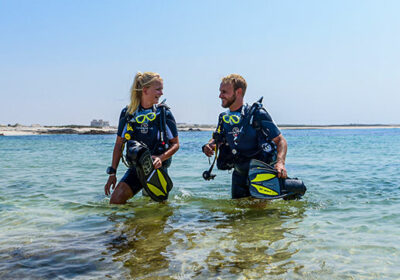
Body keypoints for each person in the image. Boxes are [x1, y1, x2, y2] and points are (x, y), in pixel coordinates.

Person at [202, 74, 288, 199]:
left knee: (259, 213)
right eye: (220, 92)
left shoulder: (257, 114)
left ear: (238, 92)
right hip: (239, 172)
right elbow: (218, 139)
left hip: (260, 171)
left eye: (224, 92)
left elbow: (280, 141)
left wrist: (280, 163)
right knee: (235, 214)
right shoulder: (223, 118)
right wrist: (210, 145)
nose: (220, 96)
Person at [104, 72, 179, 204]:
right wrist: (112, 173)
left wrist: (160, 158)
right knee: (115, 201)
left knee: (158, 214)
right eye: (158, 89)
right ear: (145, 90)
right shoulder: (128, 113)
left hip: (157, 171)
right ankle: (132, 223)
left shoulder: (164, 113)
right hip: (136, 169)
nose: (161, 93)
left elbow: (176, 144)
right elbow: (119, 145)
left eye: (162, 89)